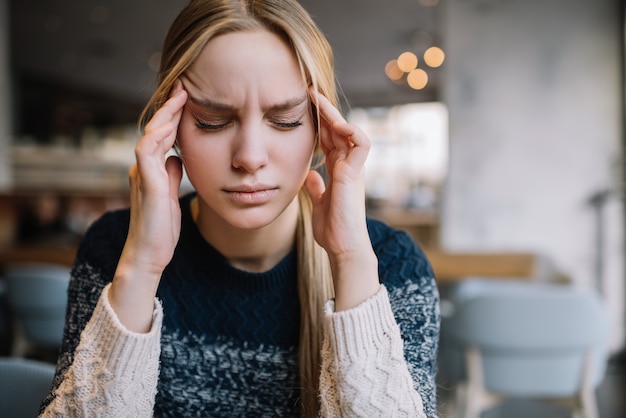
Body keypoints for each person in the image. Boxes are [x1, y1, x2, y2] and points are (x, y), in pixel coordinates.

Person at [39, 0, 440, 416]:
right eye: (212, 120)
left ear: (324, 127)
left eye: (285, 120)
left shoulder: (392, 267)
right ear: (169, 127)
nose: (249, 157)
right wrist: (141, 268)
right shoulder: (114, 249)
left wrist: (352, 261)